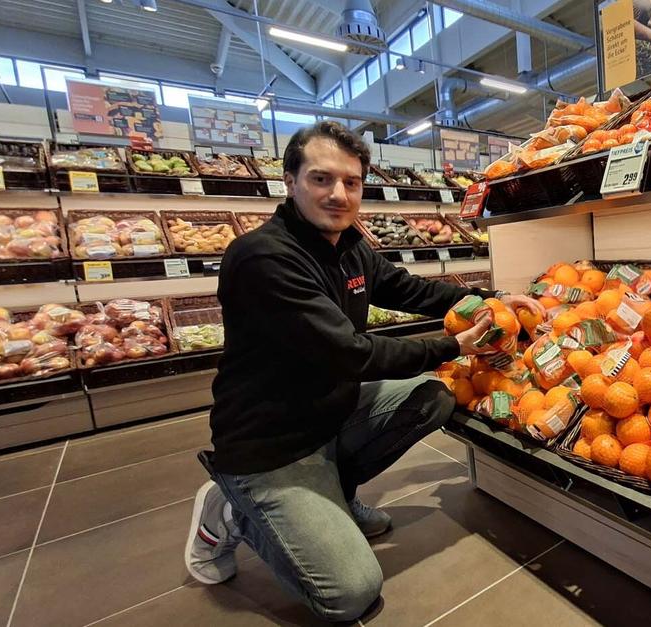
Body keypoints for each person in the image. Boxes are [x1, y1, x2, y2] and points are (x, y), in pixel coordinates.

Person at [182, 121, 543, 622]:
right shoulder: (263, 258)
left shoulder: (348, 246)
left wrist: (492, 298)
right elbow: (348, 353)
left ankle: (334, 494)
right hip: (270, 444)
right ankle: (229, 510)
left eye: (351, 183)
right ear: (290, 182)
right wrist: (452, 344)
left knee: (432, 396)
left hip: (330, 414)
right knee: (350, 593)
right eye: (321, 179)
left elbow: (408, 290)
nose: (338, 194)